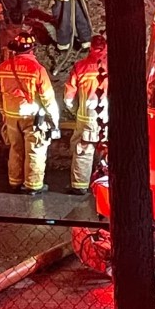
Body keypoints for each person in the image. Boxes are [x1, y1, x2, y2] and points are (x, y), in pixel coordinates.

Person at [0, 29, 59, 193]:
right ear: (32, 49)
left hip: (11, 115)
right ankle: (33, 185)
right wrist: (54, 121)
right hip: (33, 117)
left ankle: (14, 182)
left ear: (14, 49)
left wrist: (4, 113)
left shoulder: (2, 68)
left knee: (15, 148)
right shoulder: (37, 69)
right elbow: (48, 99)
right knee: (35, 150)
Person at [61, 34, 109, 194]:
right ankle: (107, 185)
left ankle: (79, 186)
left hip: (87, 118)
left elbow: (68, 98)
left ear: (90, 48)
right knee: (108, 151)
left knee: (83, 151)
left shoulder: (80, 67)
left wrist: (77, 111)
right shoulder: (114, 66)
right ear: (106, 48)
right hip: (108, 119)